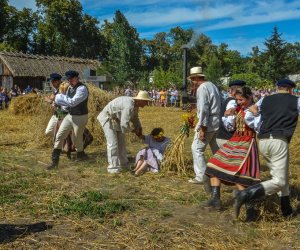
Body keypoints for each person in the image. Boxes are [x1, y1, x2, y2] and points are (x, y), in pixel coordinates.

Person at [235, 79, 300, 219]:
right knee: (279, 181)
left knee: (281, 176)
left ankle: (286, 209)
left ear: (277, 88)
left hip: (263, 141)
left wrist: (260, 125)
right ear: (290, 90)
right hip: (279, 141)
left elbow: (249, 115)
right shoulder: (296, 101)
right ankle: (246, 193)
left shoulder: (264, 100)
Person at [203, 87, 261, 220]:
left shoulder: (255, 109)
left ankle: (250, 211)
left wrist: (256, 114)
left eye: (241, 100)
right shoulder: (238, 109)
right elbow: (230, 128)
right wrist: (228, 115)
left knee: (242, 177)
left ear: (249, 98)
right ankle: (215, 199)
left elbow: (259, 128)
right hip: (234, 140)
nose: (239, 102)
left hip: (247, 143)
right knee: (213, 165)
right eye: (237, 100)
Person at [97, 91, 151, 174]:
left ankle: (123, 164)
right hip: (107, 118)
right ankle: (113, 167)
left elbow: (135, 118)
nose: (147, 104)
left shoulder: (135, 105)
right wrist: (133, 131)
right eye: (146, 101)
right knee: (113, 143)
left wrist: (139, 127)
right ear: (140, 100)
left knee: (121, 143)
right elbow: (124, 125)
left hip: (116, 120)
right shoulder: (129, 105)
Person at [47, 70, 89, 169]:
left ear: (77, 78)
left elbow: (73, 102)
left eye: (71, 79)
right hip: (70, 115)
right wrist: (58, 104)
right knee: (59, 135)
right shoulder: (69, 88)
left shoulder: (82, 89)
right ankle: (54, 162)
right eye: (68, 79)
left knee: (77, 138)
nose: (69, 81)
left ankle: (81, 154)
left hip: (80, 116)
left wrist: (57, 97)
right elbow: (66, 104)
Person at [188, 66, 221, 189]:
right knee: (216, 150)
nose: (192, 82)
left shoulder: (202, 88)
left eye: (192, 79)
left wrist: (202, 128)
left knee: (196, 148)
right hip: (216, 121)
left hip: (208, 123)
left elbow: (203, 109)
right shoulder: (212, 85)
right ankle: (223, 172)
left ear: (196, 78)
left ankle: (202, 176)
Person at [216, 80, 246, 148]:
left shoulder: (227, 100)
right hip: (228, 138)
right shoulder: (233, 102)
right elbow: (230, 125)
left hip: (222, 137)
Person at [44, 73, 64, 137]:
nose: (52, 83)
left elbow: (63, 102)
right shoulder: (55, 89)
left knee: (63, 132)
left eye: (53, 81)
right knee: (48, 132)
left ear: (58, 81)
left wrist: (50, 101)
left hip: (63, 114)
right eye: (51, 81)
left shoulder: (63, 88)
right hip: (57, 113)